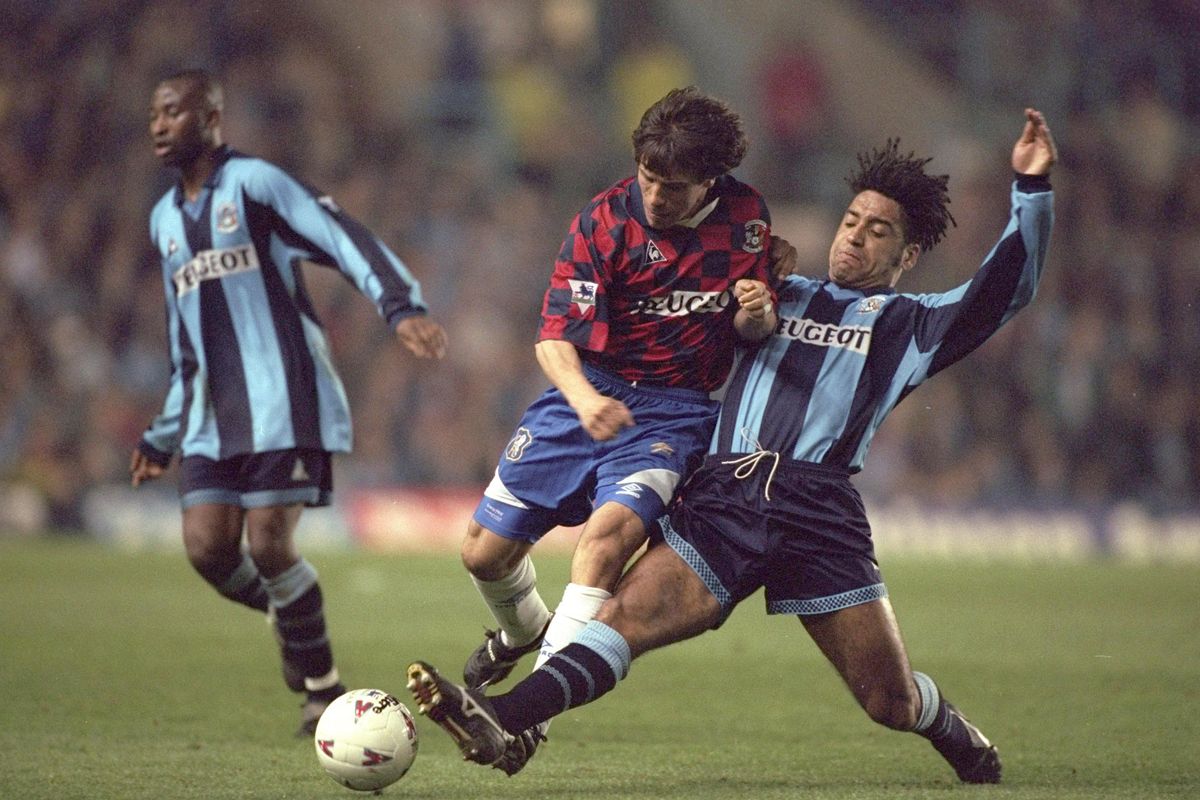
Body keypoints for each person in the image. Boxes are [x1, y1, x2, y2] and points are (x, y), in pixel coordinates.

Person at [406, 108, 1057, 784]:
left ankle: (951, 730)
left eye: (879, 231)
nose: (855, 239)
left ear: (907, 256)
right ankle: (502, 718)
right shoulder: (774, 289)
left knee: (887, 701)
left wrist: (1031, 192)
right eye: (851, 221)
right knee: (623, 616)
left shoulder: (910, 325)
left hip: (817, 509)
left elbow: (1003, 292)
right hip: (728, 495)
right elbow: (673, 282)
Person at [451, 86, 783, 769]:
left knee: (603, 544)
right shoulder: (603, 222)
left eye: (676, 186)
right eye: (649, 178)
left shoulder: (747, 218)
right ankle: (524, 634)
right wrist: (581, 399)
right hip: (588, 391)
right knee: (483, 552)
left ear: (712, 182)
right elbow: (552, 339)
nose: (657, 196)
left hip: (676, 409)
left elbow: (753, 329)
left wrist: (757, 312)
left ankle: (527, 724)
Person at [130, 69, 447, 736]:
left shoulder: (256, 185)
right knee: (208, 550)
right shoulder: (163, 220)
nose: (158, 125)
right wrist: (162, 434)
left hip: (285, 397)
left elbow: (340, 234)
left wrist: (399, 305)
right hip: (211, 415)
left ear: (212, 119)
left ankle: (319, 690)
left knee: (270, 542)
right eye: (154, 114)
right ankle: (294, 622)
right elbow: (183, 335)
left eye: (173, 112)